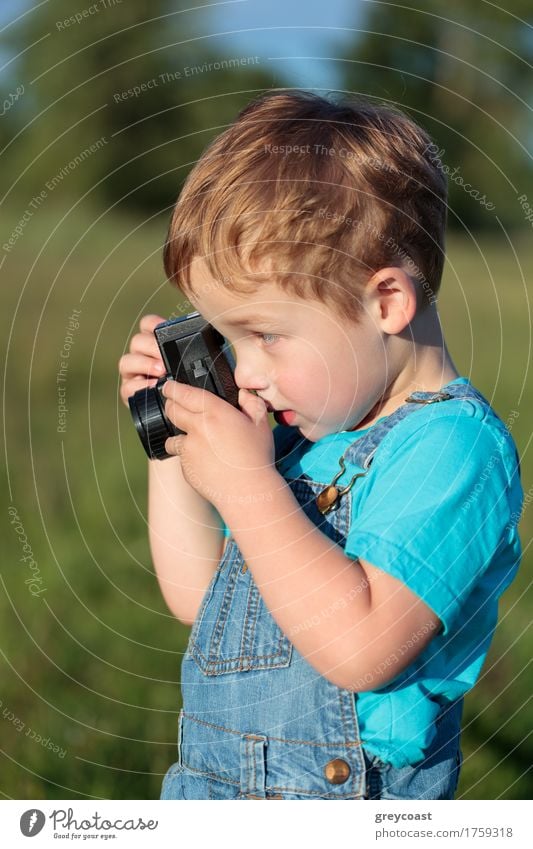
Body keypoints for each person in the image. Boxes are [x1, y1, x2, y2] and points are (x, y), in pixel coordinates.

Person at [118, 90, 523, 800]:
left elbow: (362, 647)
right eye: (226, 338)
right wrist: (180, 441)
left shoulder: (452, 451)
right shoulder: (299, 437)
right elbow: (198, 597)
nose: (246, 372)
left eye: (265, 334)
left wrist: (248, 486)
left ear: (387, 303)